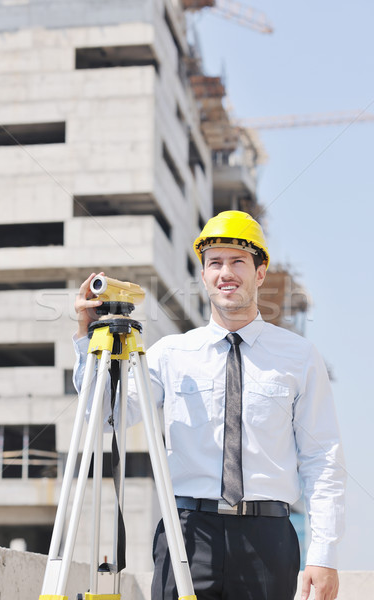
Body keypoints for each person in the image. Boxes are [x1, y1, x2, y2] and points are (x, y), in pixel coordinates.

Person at [73, 210, 345, 600]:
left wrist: (324, 554)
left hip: (267, 541)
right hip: (187, 533)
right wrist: (88, 343)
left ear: (260, 272)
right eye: (214, 263)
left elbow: (323, 459)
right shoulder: (169, 353)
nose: (225, 272)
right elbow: (105, 417)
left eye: (238, 261)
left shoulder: (299, 356)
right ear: (203, 276)